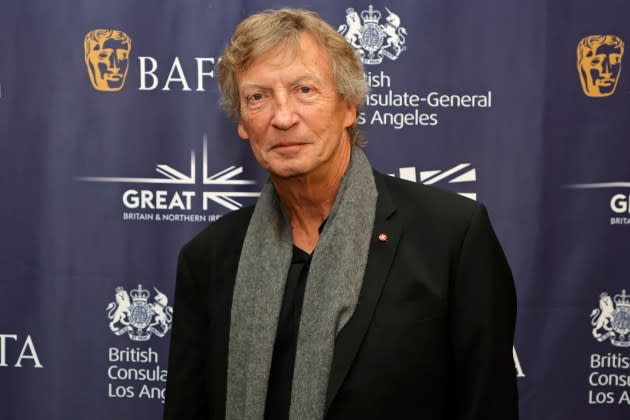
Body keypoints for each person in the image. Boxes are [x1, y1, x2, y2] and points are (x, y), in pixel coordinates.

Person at [164, 8, 518, 420]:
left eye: (304, 90)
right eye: (257, 97)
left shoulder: (452, 238)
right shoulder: (209, 259)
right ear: (242, 123)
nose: (282, 117)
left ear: (349, 107)